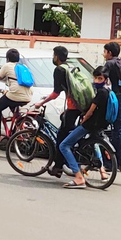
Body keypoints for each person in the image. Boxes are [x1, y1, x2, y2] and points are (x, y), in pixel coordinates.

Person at [58, 66, 111, 189]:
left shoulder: (100, 94)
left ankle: (78, 177)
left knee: (64, 145)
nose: (97, 81)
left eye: (100, 78)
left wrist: (83, 120)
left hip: (90, 124)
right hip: (100, 125)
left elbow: (90, 112)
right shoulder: (108, 91)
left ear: (105, 79)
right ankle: (101, 169)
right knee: (91, 142)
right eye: (95, 78)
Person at [35, 45, 78, 178]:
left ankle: (58, 167)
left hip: (73, 107)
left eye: (54, 55)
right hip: (80, 106)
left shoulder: (59, 70)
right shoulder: (70, 67)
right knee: (64, 121)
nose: (53, 58)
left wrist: (41, 103)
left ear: (57, 56)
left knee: (61, 137)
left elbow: (55, 93)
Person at [0, 49, 34, 145]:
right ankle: (20, 127)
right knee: (12, 104)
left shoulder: (7, 66)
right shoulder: (23, 67)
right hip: (28, 96)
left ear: (7, 58)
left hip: (15, 94)